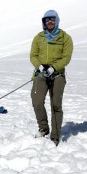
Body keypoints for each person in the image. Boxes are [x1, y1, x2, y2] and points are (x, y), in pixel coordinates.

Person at [29, 9, 73, 146]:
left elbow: (66, 57)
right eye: (46, 20)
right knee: (37, 101)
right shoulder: (39, 38)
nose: (49, 22)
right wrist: (40, 66)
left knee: (55, 105)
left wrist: (54, 68)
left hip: (57, 74)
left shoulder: (65, 38)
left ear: (57, 20)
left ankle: (55, 136)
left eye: (52, 19)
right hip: (41, 73)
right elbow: (33, 55)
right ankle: (43, 128)